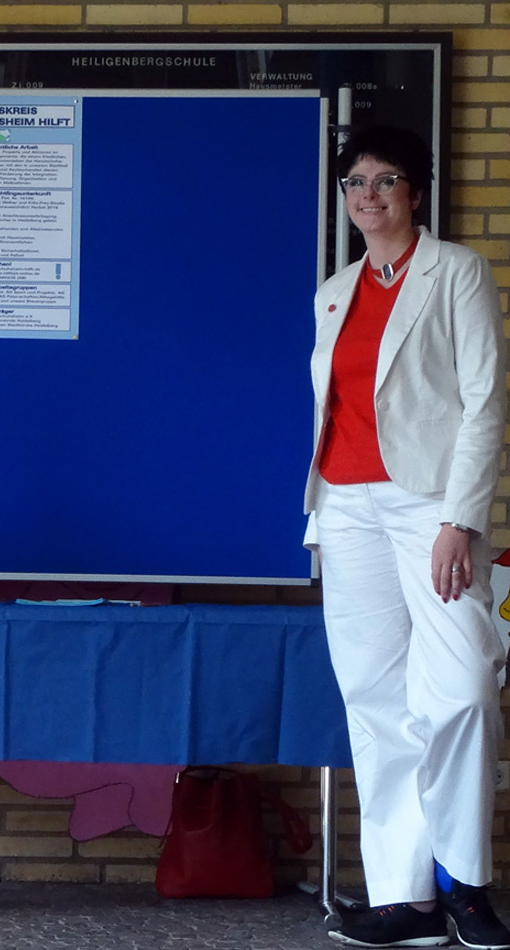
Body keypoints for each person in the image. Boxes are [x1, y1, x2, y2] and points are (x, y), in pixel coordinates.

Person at [303, 124, 510, 949]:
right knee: (377, 702)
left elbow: (484, 402)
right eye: (356, 182)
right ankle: (405, 898)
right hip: (345, 507)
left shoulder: (456, 271)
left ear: (414, 192)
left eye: (386, 180)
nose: (369, 195)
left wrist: (461, 519)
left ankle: (466, 885)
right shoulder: (333, 291)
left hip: (429, 506)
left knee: (461, 689)